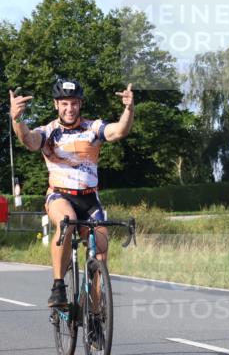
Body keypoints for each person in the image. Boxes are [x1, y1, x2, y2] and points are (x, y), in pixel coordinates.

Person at [10, 77, 135, 309]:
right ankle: (58, 286)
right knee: (66, 223)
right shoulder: (48, 131)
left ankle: (96, 315)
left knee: (101, 251)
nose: (70, 108)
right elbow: (29, 140)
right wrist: (17, 119)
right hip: (60, 196)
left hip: (89, 198)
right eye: (65, 103)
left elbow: (118, 131)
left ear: (81, 104)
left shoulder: (92, 128)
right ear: (56, 104)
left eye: (74, 103)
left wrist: (128, 109)